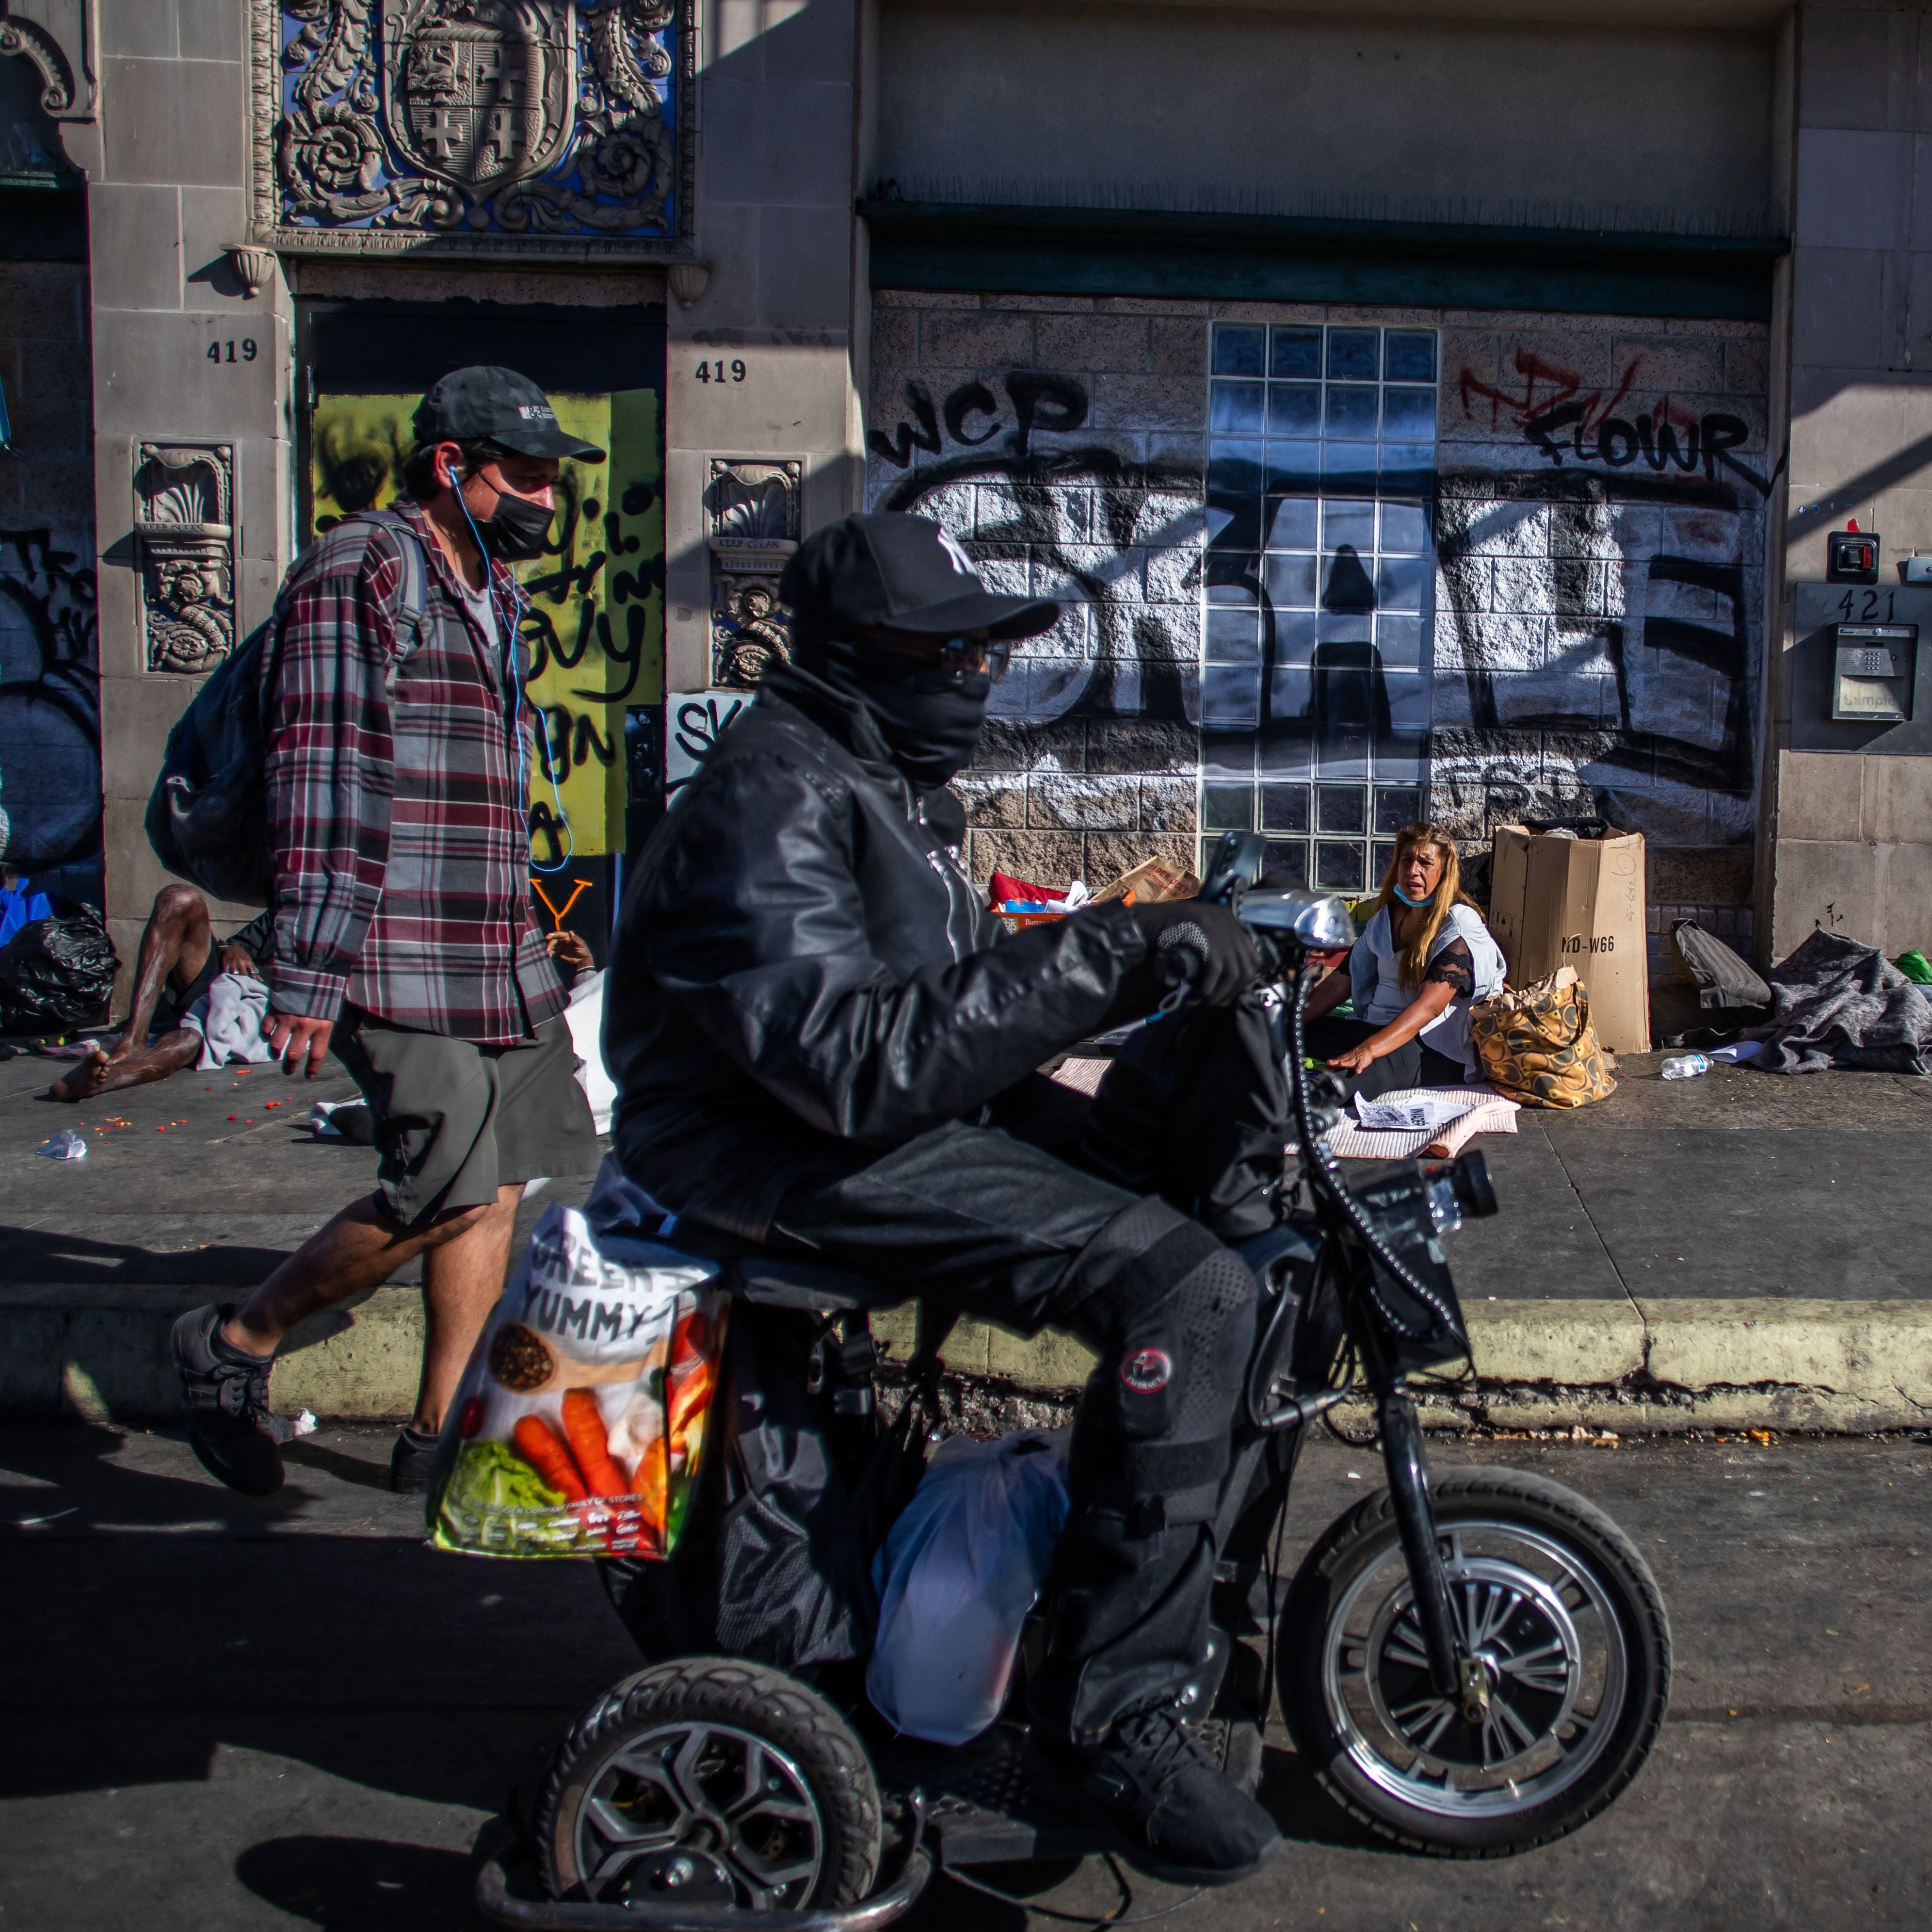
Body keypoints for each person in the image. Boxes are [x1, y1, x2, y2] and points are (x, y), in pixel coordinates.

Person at [605, 511, 1287, 1886]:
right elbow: (857, 1061)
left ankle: (1135, 1601)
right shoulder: (769, 793)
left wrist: (1145, 1077)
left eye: (983, 649)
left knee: (1221, 1232)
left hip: (854, 1116)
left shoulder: (878, 785)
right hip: (774, 1148)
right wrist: (1113, 949)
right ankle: (1114, 1712)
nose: (977, 675)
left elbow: (967, 1016)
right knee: (1187, 1288)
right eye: (953, 651)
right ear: (864, 655)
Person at [169, 366, 606, 1499]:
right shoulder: (356, 573)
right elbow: (326, 778)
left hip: (492, 942)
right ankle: (237, 1345)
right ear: (452, 467)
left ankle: (440, 1430)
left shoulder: (493, 594)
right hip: (392, 943)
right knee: (448, 1182)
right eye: (526, 477)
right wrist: (307, 971)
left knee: (506, 1175)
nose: (546, 502)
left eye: (555, 481)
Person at [1301, 825, 1506, 1098]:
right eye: (1407, 860)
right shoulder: (1385, 918)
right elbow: (1340, 983)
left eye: (1425, 863)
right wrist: (1288, 1022)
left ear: (1443, 871)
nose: (1413, 871)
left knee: (1347, 1079)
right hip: (1374, 1030)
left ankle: (1298, 1111)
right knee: (1284, 1036)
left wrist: (1370, 1049)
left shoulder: (1459, 925)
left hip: (1430, 1046)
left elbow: (1429, 1007)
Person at [47, 884, 273, 1100]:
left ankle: (102, 1081)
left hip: (265, 1017)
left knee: (188, 1040)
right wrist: (229, 947)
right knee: (179, 899)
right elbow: (243, 944)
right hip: (230, 987)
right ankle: (134, 1037)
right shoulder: (297, 911)